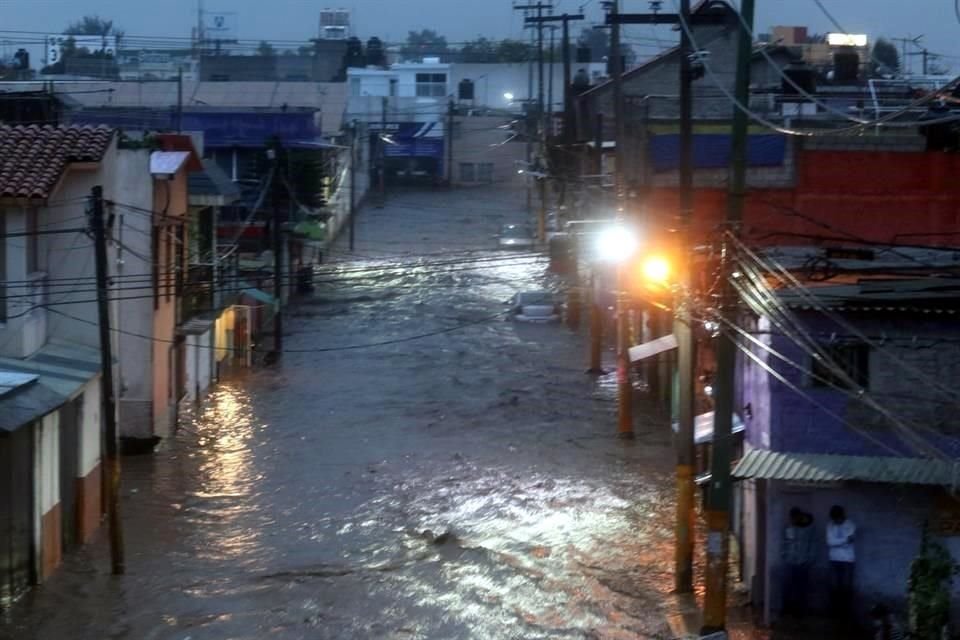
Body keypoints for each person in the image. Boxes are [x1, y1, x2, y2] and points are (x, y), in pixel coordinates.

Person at [782, 507, 816, 616]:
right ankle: (788, 609)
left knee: (802, 587)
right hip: (791, 561)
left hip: (803, 562)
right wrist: (784, 555)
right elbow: (785, 542)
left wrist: (809, 559)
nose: (792, 520)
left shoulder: (808, 528)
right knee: (789, 586)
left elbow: (812, 544)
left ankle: (800, 611)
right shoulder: (789, 528)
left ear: (798, 517)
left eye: (794, 518)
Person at [826, 505, 856, 619]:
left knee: (846, 588)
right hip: (834, 559)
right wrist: (845, 541)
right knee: (834, 587)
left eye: (837, 518)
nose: (836, 521)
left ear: (842, 516)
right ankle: (835, 612)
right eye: (834, 519)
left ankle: (845, 613)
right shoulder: (830, 525)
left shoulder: (850, 525)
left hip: (848, 560)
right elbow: (829, 542)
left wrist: (836, 542)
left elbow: (849, 540)